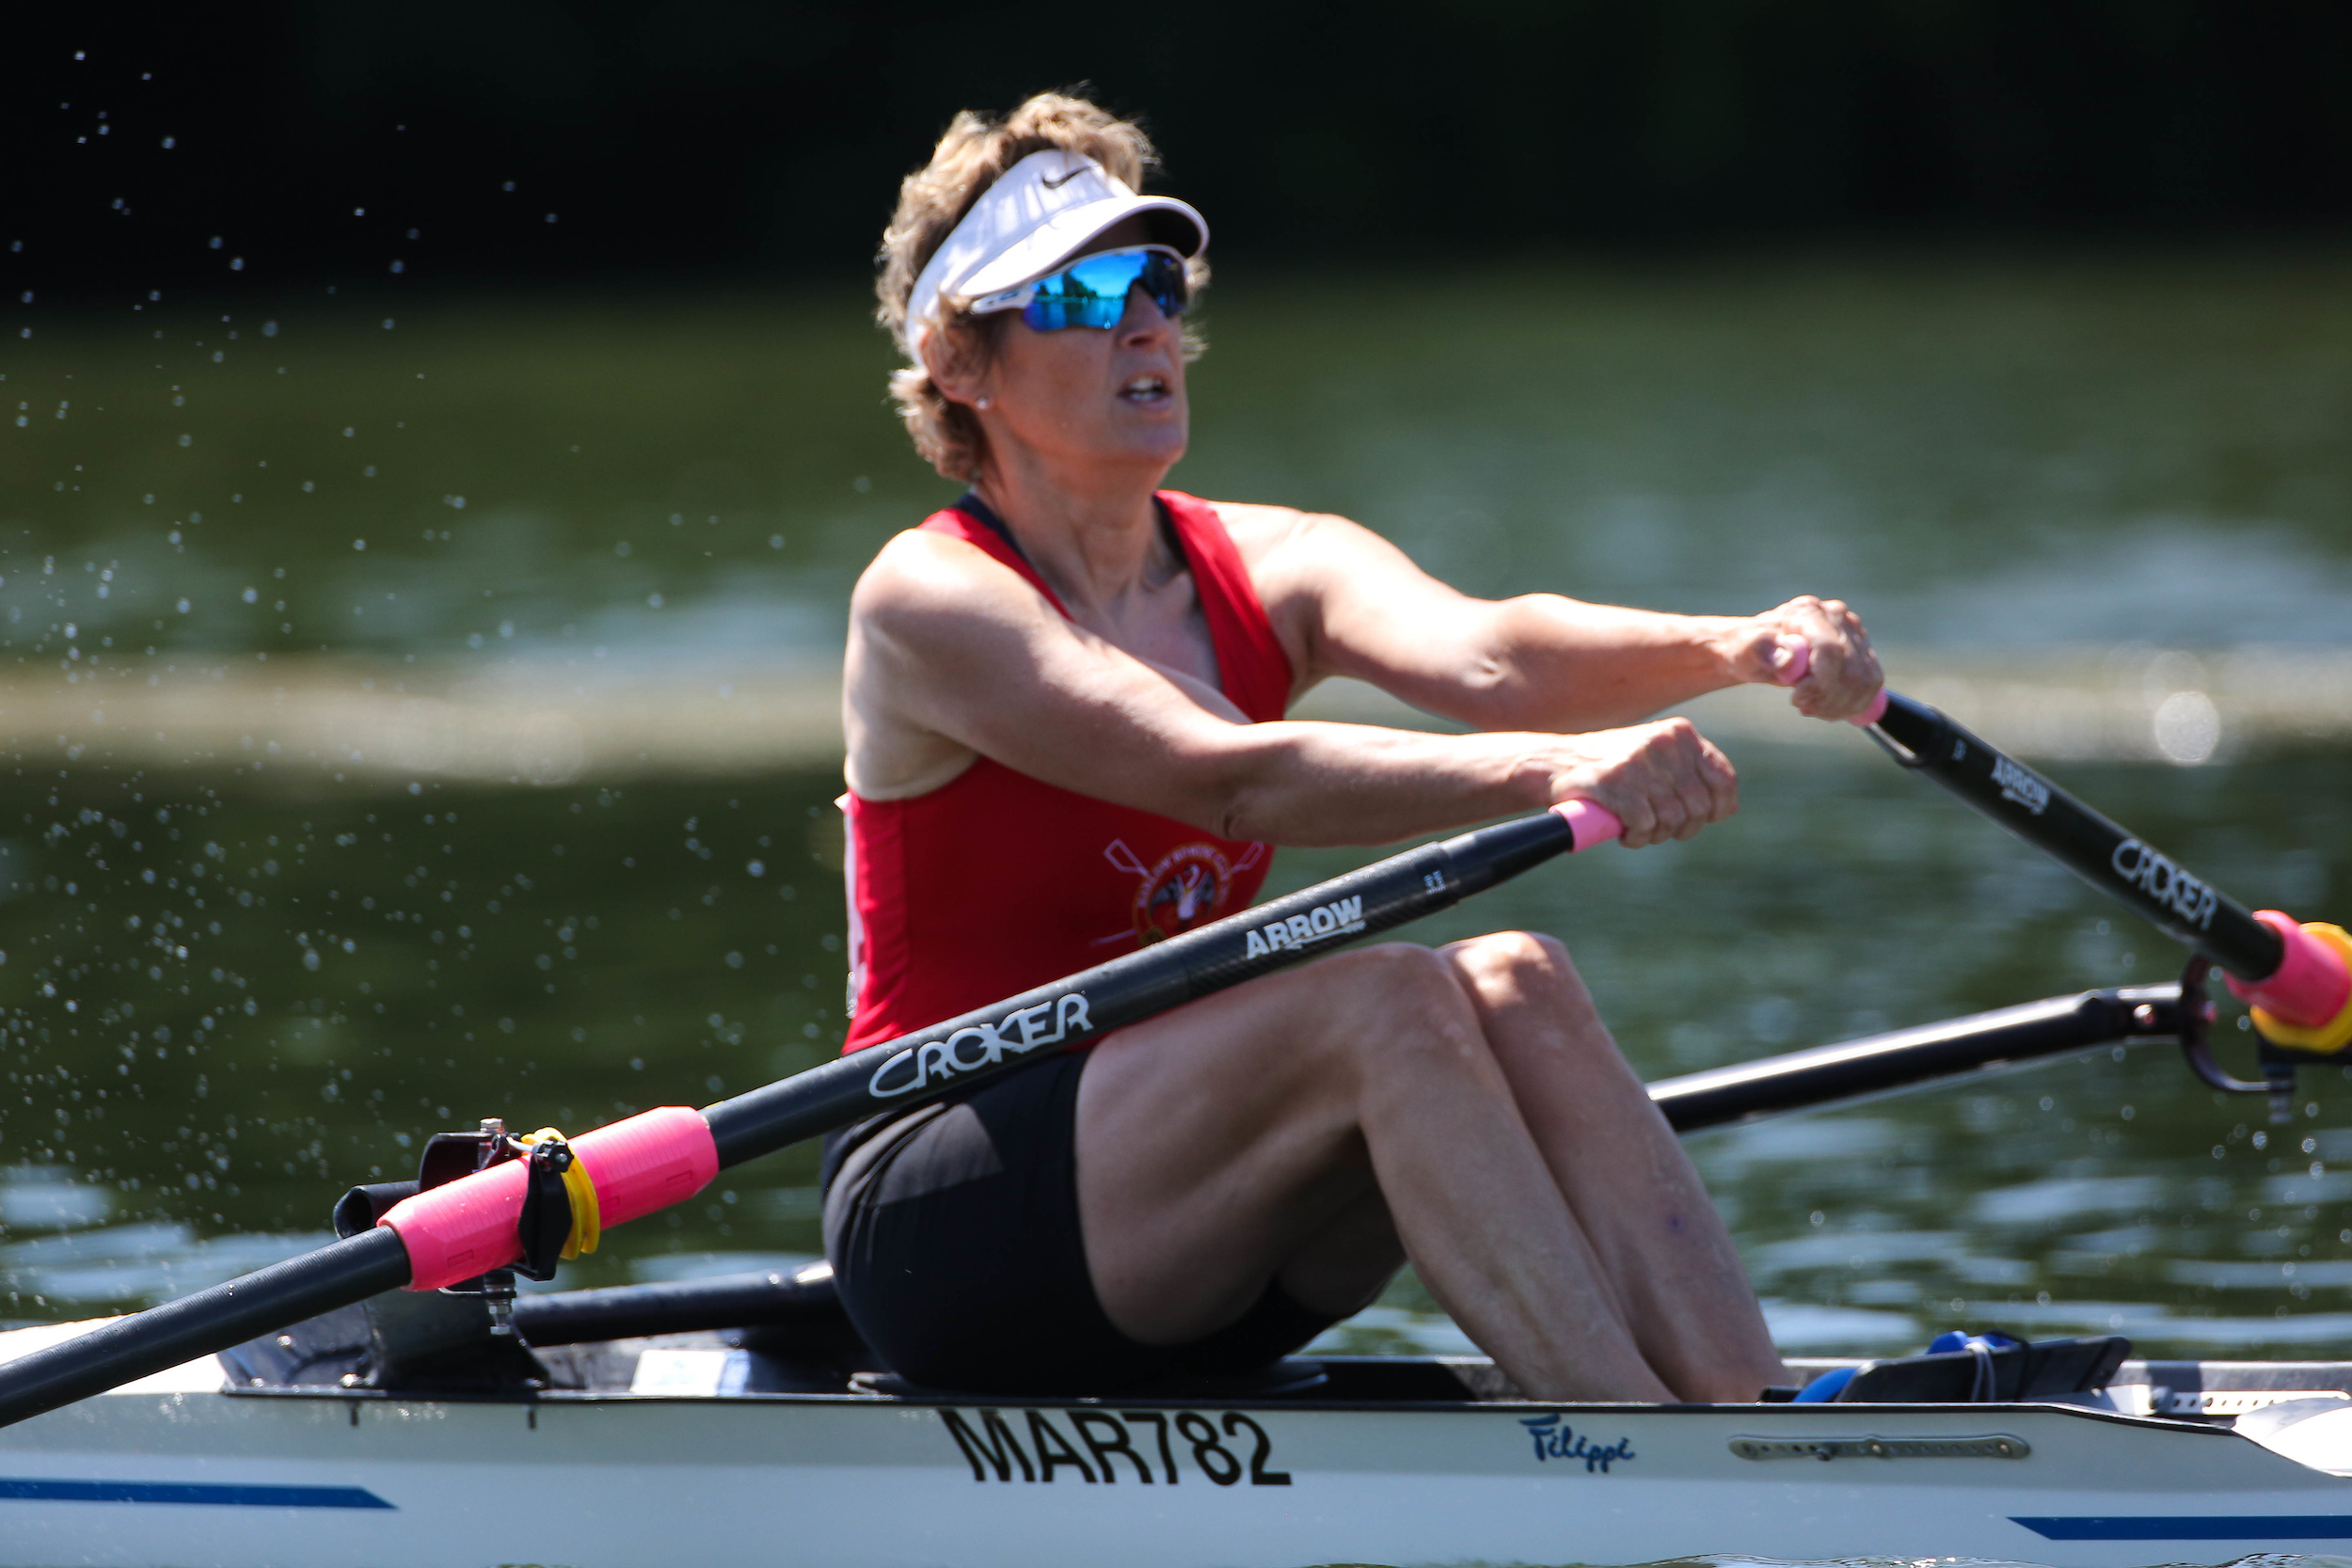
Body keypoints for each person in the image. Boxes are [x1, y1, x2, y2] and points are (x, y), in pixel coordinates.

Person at [822, 93, 1883, 1402]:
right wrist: (1560, 771)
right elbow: (1231, 776)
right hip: (949, 1213)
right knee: (1386, 1002)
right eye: (1083, 294)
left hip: (1195, 1215)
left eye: (1154, 279)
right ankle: (1637, 1445)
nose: (1146, 320)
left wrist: (1738, 646)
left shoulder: (1274, 564)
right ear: (960, 362)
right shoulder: (930, 603)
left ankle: (1748, 1425)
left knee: (1517, 978)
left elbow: (1494, 656)